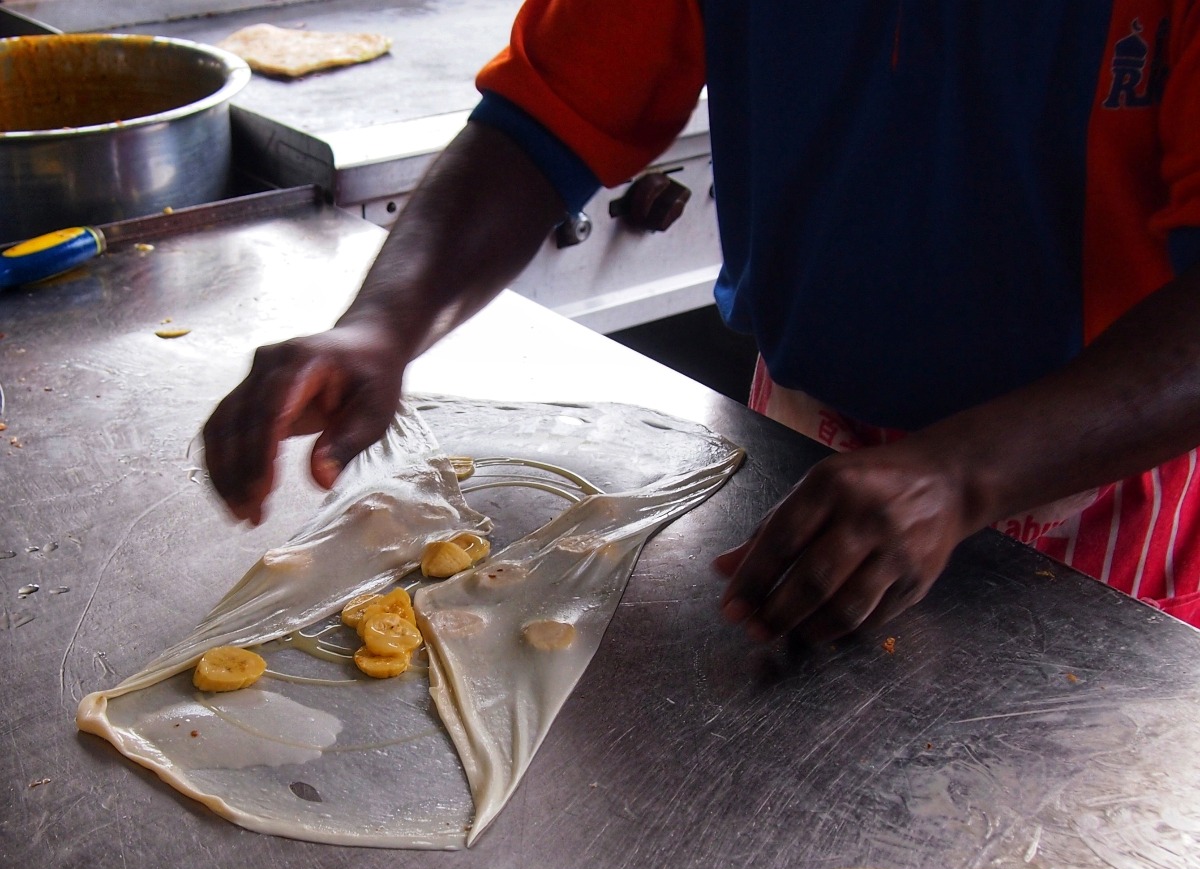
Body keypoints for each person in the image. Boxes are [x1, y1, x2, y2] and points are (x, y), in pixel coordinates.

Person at [203, 2, 1200, 643]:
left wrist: (960, 472)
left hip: (1090, 487)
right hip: (801, 443)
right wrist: (387, 322)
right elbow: (544, 119)